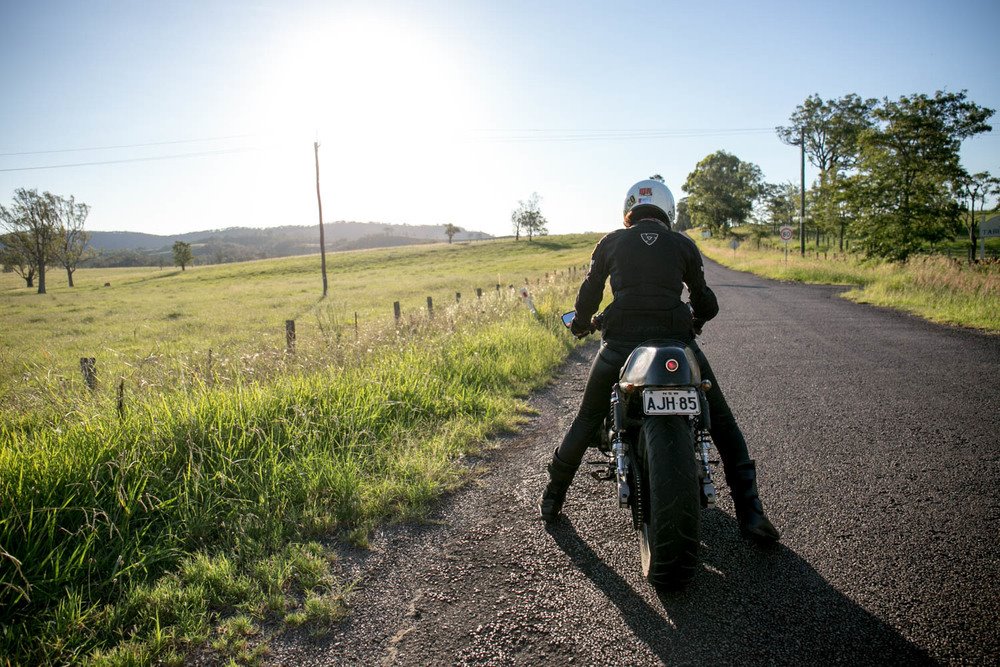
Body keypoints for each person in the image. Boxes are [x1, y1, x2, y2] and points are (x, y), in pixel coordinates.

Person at [539, 178, 780, 543]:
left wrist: (584, 324)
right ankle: (751, 512)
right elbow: (705, 302)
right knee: (724, 425)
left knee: (587, 418)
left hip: (620, 345)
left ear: (628, 210)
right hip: (678, 344)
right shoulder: (682, 243)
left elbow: (589, 295)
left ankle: (552, 500)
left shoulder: (611, 242)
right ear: (668, 211)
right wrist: (695, 319)